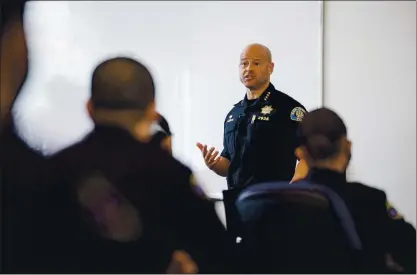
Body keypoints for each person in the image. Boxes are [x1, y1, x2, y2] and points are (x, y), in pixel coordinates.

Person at [49, 57, 236, 273]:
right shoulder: (173, 175)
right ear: (152, 110)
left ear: (89, 108)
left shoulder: (53, 170)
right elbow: (221, 260)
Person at [295, 107, 416, 273]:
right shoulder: (370, 201)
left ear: (301, 154)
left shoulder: (275, 203)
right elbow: (410, 251)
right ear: (347, 146)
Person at [197, 43, 307, 190]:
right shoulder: (234, 114)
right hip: (237, 203)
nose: (248, 68)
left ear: (270, 67)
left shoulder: (288, 109)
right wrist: (213, 165)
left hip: (274, 201)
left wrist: (296, 185)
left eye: (256, 63)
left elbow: (308, 155)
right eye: (244, 63)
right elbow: (229, 164)